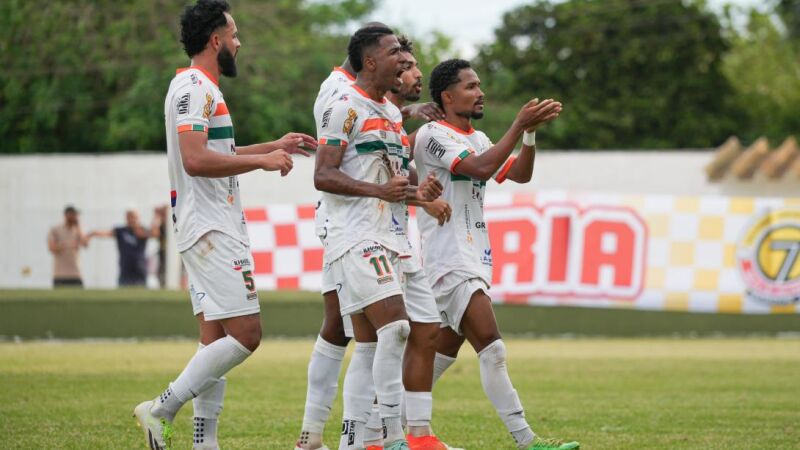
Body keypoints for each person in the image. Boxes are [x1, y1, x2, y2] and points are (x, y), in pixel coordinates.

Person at [132, 1, 314, 449]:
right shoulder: (195, 88)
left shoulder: (198, 88)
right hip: (211, 230)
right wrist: (263, 162)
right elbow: (195, 161)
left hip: (206, 225)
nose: (239, 42)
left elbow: (217, 151)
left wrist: (274, 145)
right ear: (216, 40)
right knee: (246, 335)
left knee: (214, 339)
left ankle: (204, 442)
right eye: (234, 35)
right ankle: (161, 408)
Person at [414, 59, 579, 450]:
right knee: (492, 345)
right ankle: (526, 440)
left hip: (472, 255)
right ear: (447, 96)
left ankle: (389, 424)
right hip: (448, 255)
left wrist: (530, 136)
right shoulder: (432, 135)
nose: (480, 92)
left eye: (479, 85)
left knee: (443, 349)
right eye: (471, 86)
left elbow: (518, 173)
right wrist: (517, 125)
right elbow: (479, 169)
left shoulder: (481, 136)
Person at [296, 25, 447, 450]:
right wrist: (379, 191)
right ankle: (393, 438)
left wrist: (422, 194)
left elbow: (395, 178)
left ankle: (364, 440)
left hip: (396, 238)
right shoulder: (343, 104)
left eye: (404, 50)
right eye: (395, 51)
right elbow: (323, 175)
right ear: (371, 62)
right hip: (357, 236)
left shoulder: (394, 113)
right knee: (393, 328)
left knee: (423, 328)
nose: (404, 58)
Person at [89, 209, 161, 287]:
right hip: (125, 271)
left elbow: (155, 234)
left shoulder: (141, 231)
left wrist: (156, 217)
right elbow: (106, 233)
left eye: (135, 217)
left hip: (140, 270)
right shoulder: (120, 231)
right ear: (127, 218)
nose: (133, 220)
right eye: (131, 217)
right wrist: (92, 233)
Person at [47, 205, 89, 287]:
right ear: (67, 215)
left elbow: (85, 244)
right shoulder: (55, 230)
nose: (76, 217)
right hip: (60, 274)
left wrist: (78, 227)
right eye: (74, 215)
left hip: (75, 274)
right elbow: (51, 248)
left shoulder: (77, 230)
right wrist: (67, 245)